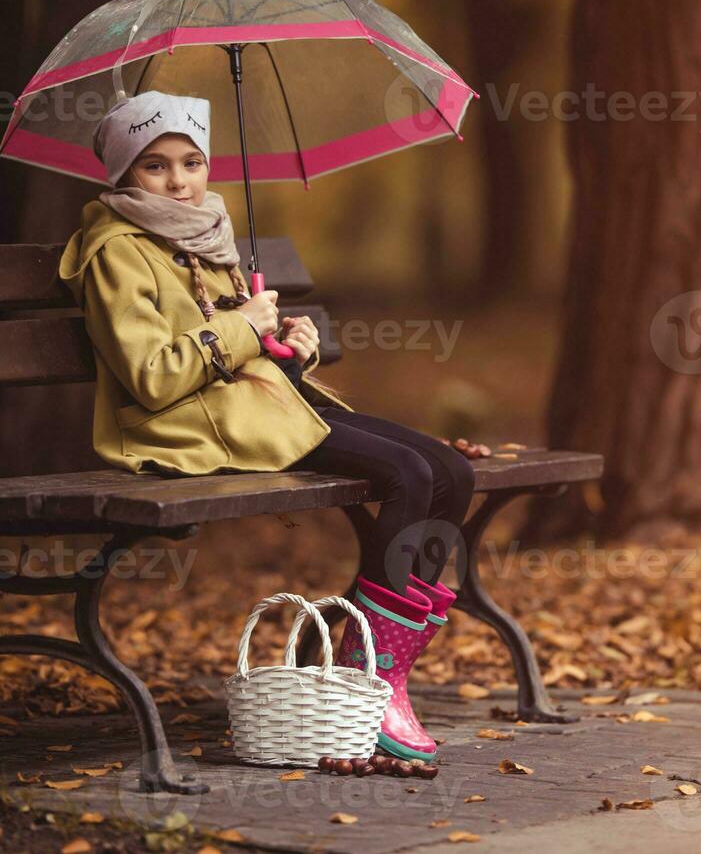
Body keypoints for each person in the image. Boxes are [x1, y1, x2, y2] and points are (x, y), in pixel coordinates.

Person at [58, 90, 480, 762]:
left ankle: (385, 675)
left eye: (192, 162)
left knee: (451, 471)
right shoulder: (116, 252)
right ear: (123, 175)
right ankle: (362, 681)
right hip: (185, 424)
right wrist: (242, 327)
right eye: (155, 166)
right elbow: (153, 376)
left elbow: (243, 337)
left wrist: (289, 341)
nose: (179, 181)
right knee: (407, 473)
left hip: (254, 403)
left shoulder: (205, 234)